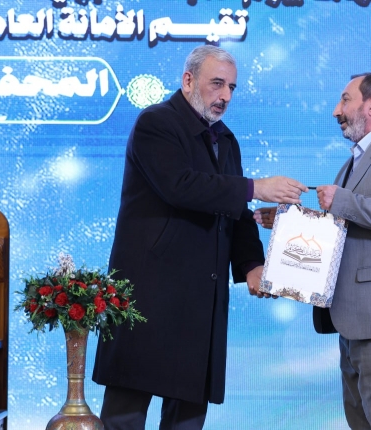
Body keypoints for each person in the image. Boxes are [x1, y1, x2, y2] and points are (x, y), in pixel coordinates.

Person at [92, 45, 307, 429]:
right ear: (188, 80)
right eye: (217, 84)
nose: (225, 96)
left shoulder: (226, 140)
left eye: (232, 87)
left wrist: (252, 264)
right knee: (125, 415)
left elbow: (235, 209)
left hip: (200, 302)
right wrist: (256, 186)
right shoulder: (156, 123)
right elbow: (181, 186)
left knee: (187, 419)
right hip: (148, 298)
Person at [256, 73, 371, 429]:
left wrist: (344, 201)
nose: (336, 110)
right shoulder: (353, 162)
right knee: (361, 421)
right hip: (355, 320)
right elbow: (341, 232)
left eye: (345, 100)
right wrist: (287, 222)